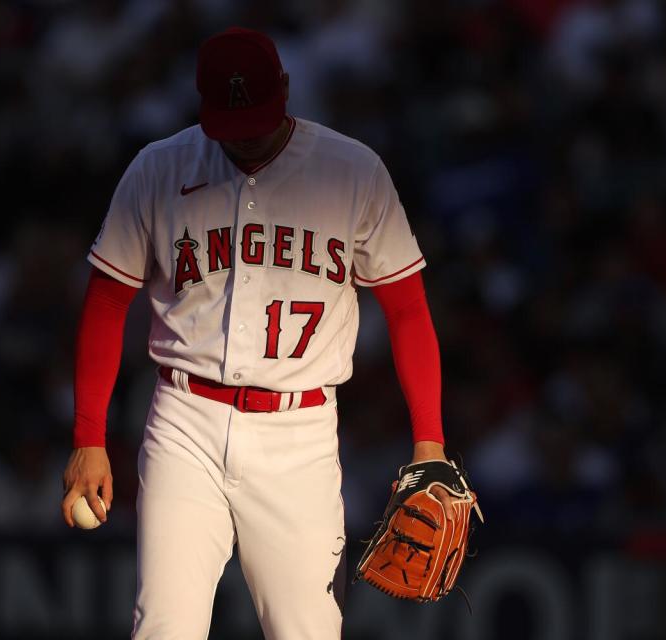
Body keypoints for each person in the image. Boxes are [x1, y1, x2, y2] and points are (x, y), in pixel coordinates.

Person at [61, 26, 457, 639]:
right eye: (231, 121)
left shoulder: (352, 171)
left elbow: (407, 309)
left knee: (308, 632)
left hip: (298, 434)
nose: (245, 134)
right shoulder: (159, 169)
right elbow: (108, 301)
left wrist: (429, 441)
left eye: (257, 118)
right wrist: (89, 436)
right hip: (184, 421)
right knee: (163, 627)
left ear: (289, 90)